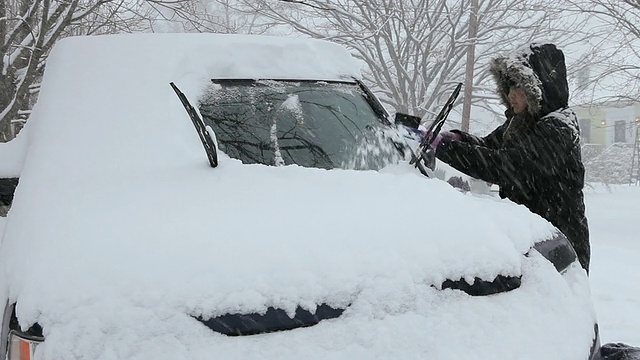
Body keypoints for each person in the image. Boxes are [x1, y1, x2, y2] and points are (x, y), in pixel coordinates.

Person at [431, 43, 591, 273]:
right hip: (531, 237)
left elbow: (509, 166)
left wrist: (446, 148)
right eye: (508, 87)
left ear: (539, 87)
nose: (510, 95)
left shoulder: (558, 127)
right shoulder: (522, 122)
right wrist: (457, 138)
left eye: (518, 87)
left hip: (559, 246)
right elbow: (489, 146)